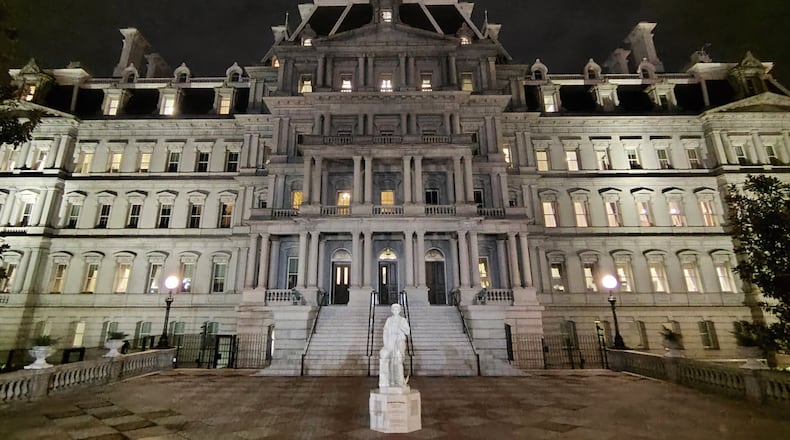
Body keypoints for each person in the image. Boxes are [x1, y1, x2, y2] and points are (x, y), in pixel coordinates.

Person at [379, 303, 411, 389]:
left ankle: (400, 381)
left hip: (399, 341)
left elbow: (407, 332)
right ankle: (392, 380)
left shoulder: (403, 320)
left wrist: (402, 328)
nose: (395, 310)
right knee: (392, 361)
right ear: (392, 310)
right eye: (394, 309)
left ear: (400, 310)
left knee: (399, 361)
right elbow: (385, 331)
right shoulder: (389, 320)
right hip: (391, 341)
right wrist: (386, 344)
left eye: (397, 309)